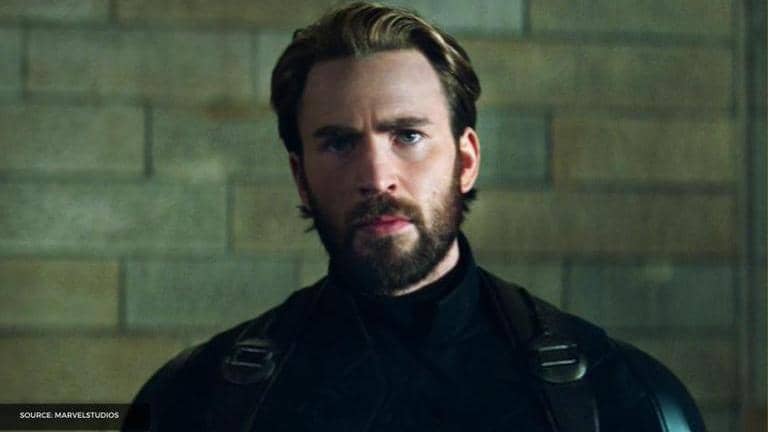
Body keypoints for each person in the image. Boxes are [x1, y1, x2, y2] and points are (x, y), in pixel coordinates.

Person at [123, 2, 706, 431]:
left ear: (466, 161)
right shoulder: (196, 401)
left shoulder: (623, 398)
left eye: (407, 135)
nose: (377, 177)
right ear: (301, 178)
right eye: (339, 142)